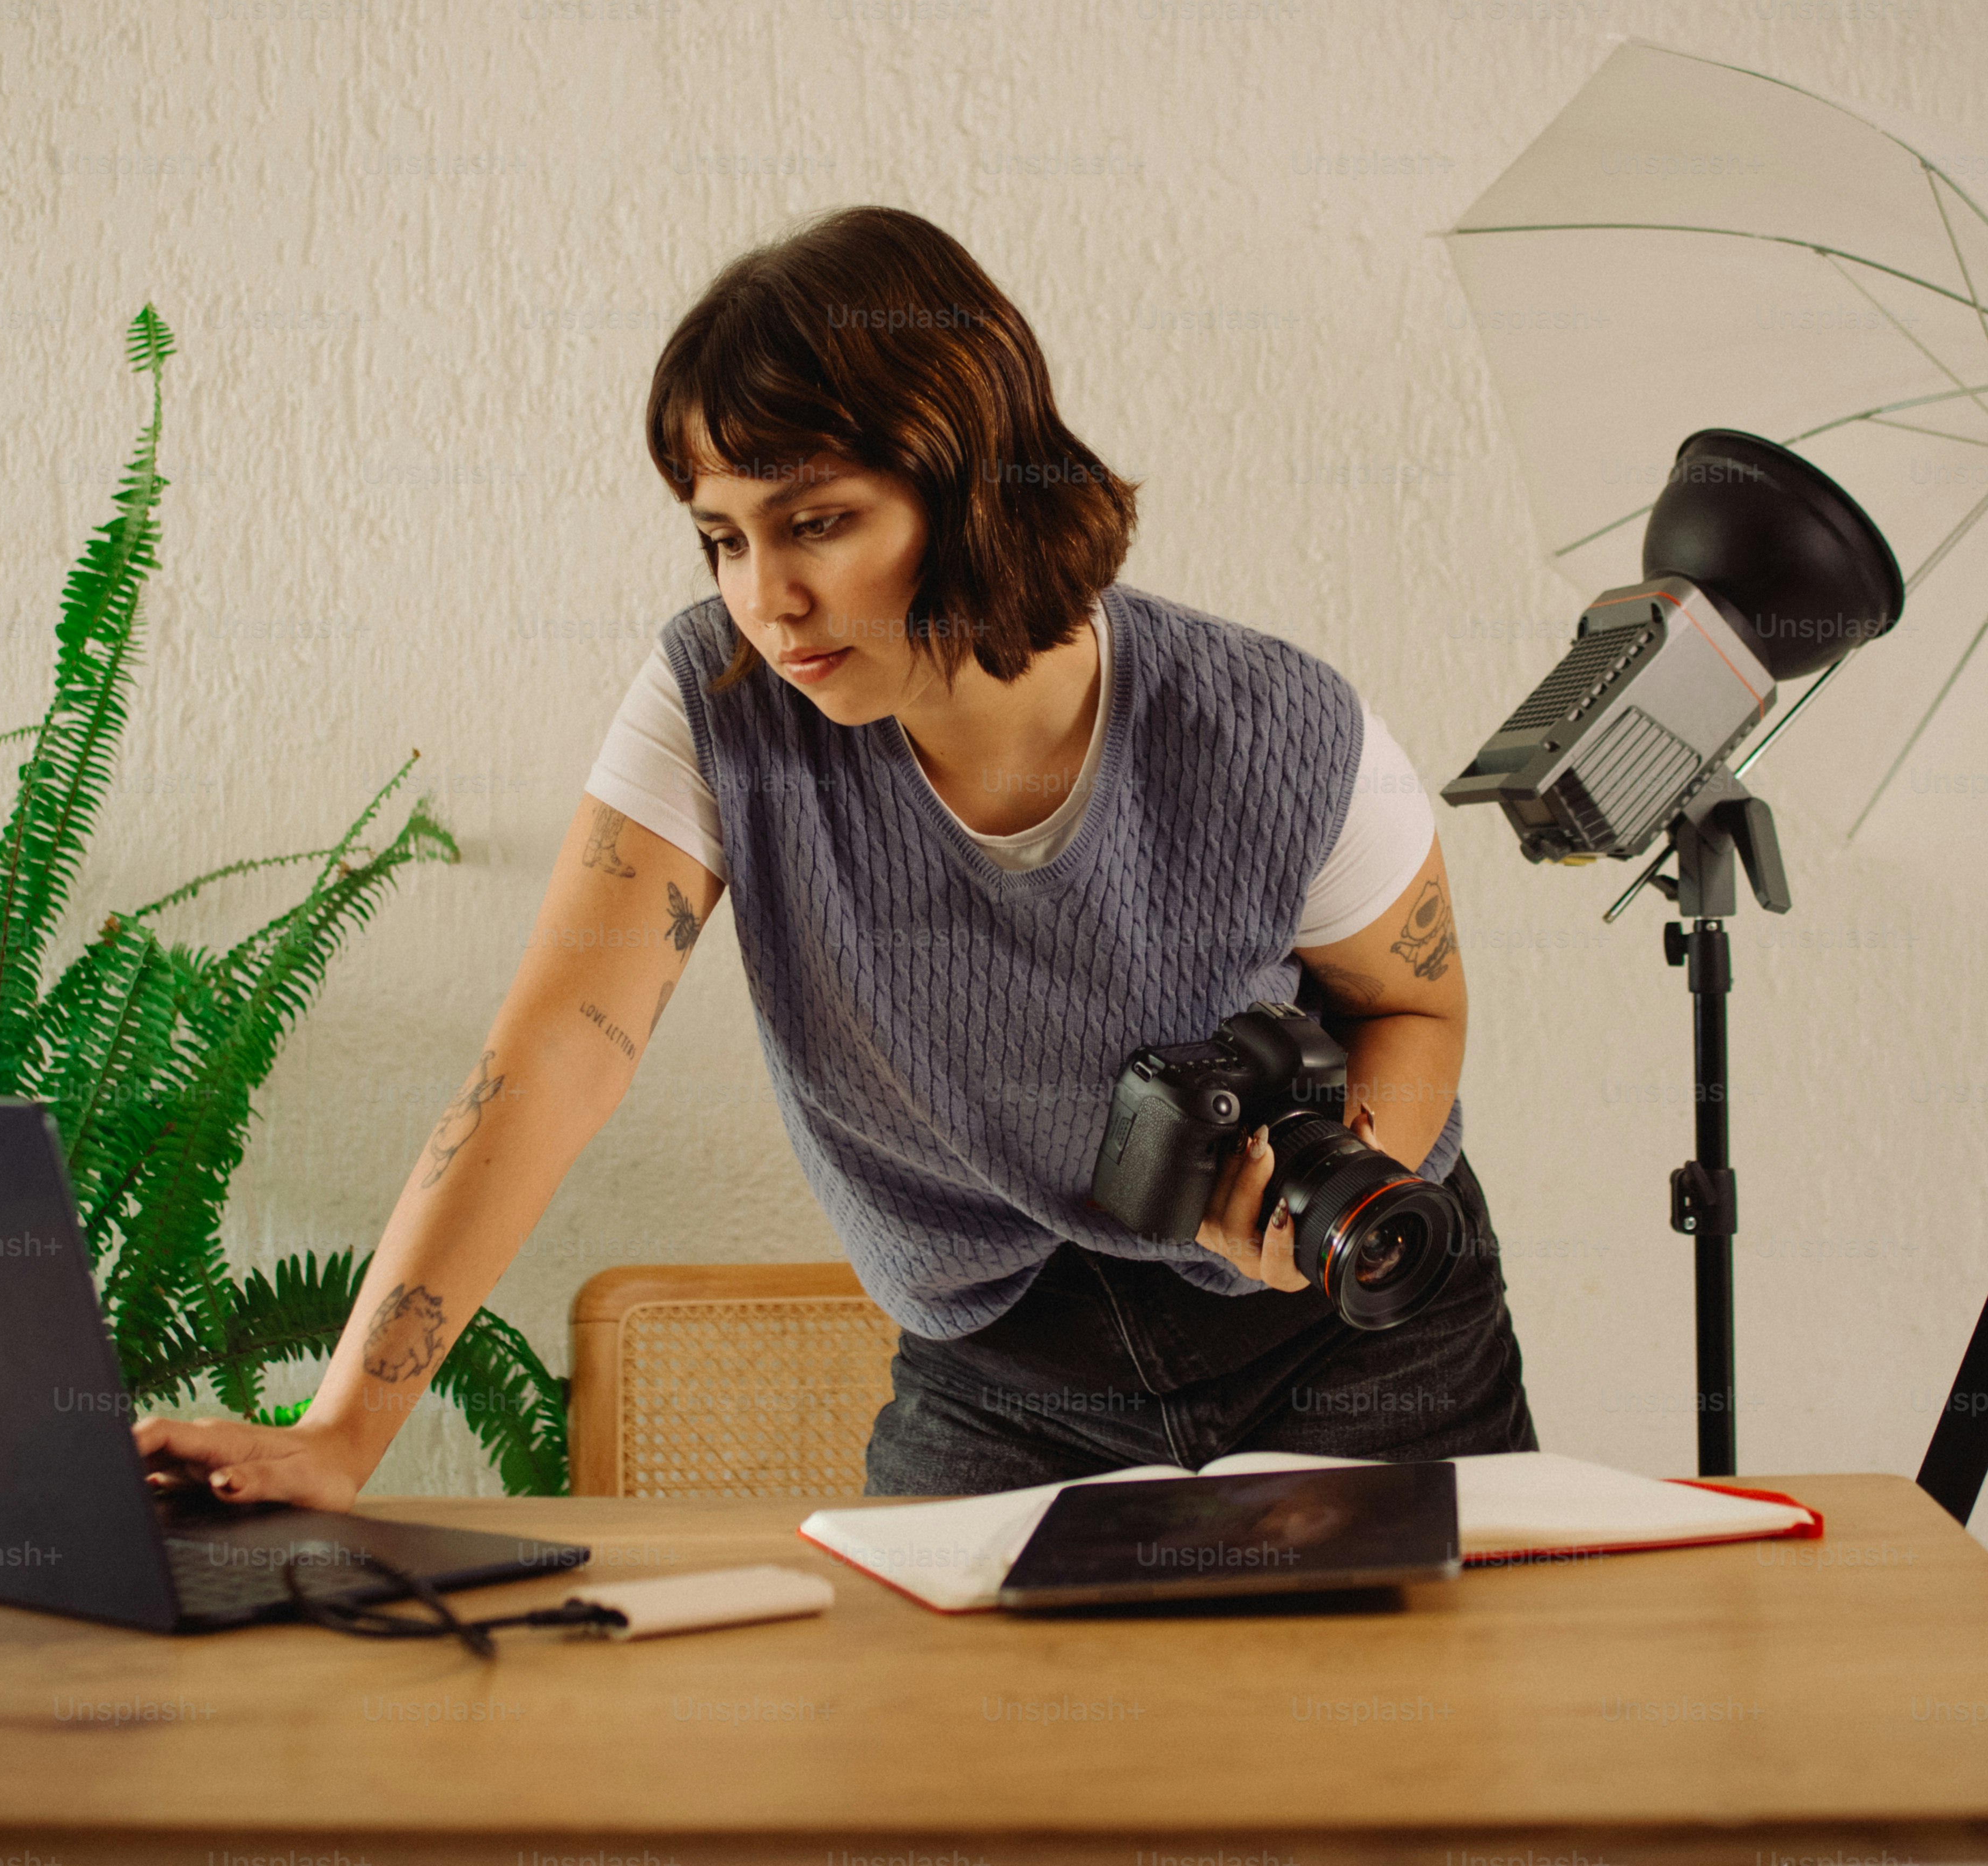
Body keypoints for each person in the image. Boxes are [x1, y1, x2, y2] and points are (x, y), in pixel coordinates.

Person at [135, 206, 1535, 1505]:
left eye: (817, 524)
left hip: (1356, 1349)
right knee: (936, 1766)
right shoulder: (719, 698)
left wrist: (1331, 1197)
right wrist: (341, 1437)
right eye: (720, 537)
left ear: (971, 481)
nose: (766, 599)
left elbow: (1413, 1005)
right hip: (1001, 1378)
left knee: (1401, 1762)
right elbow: (558, 1046)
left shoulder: (1277, 727)